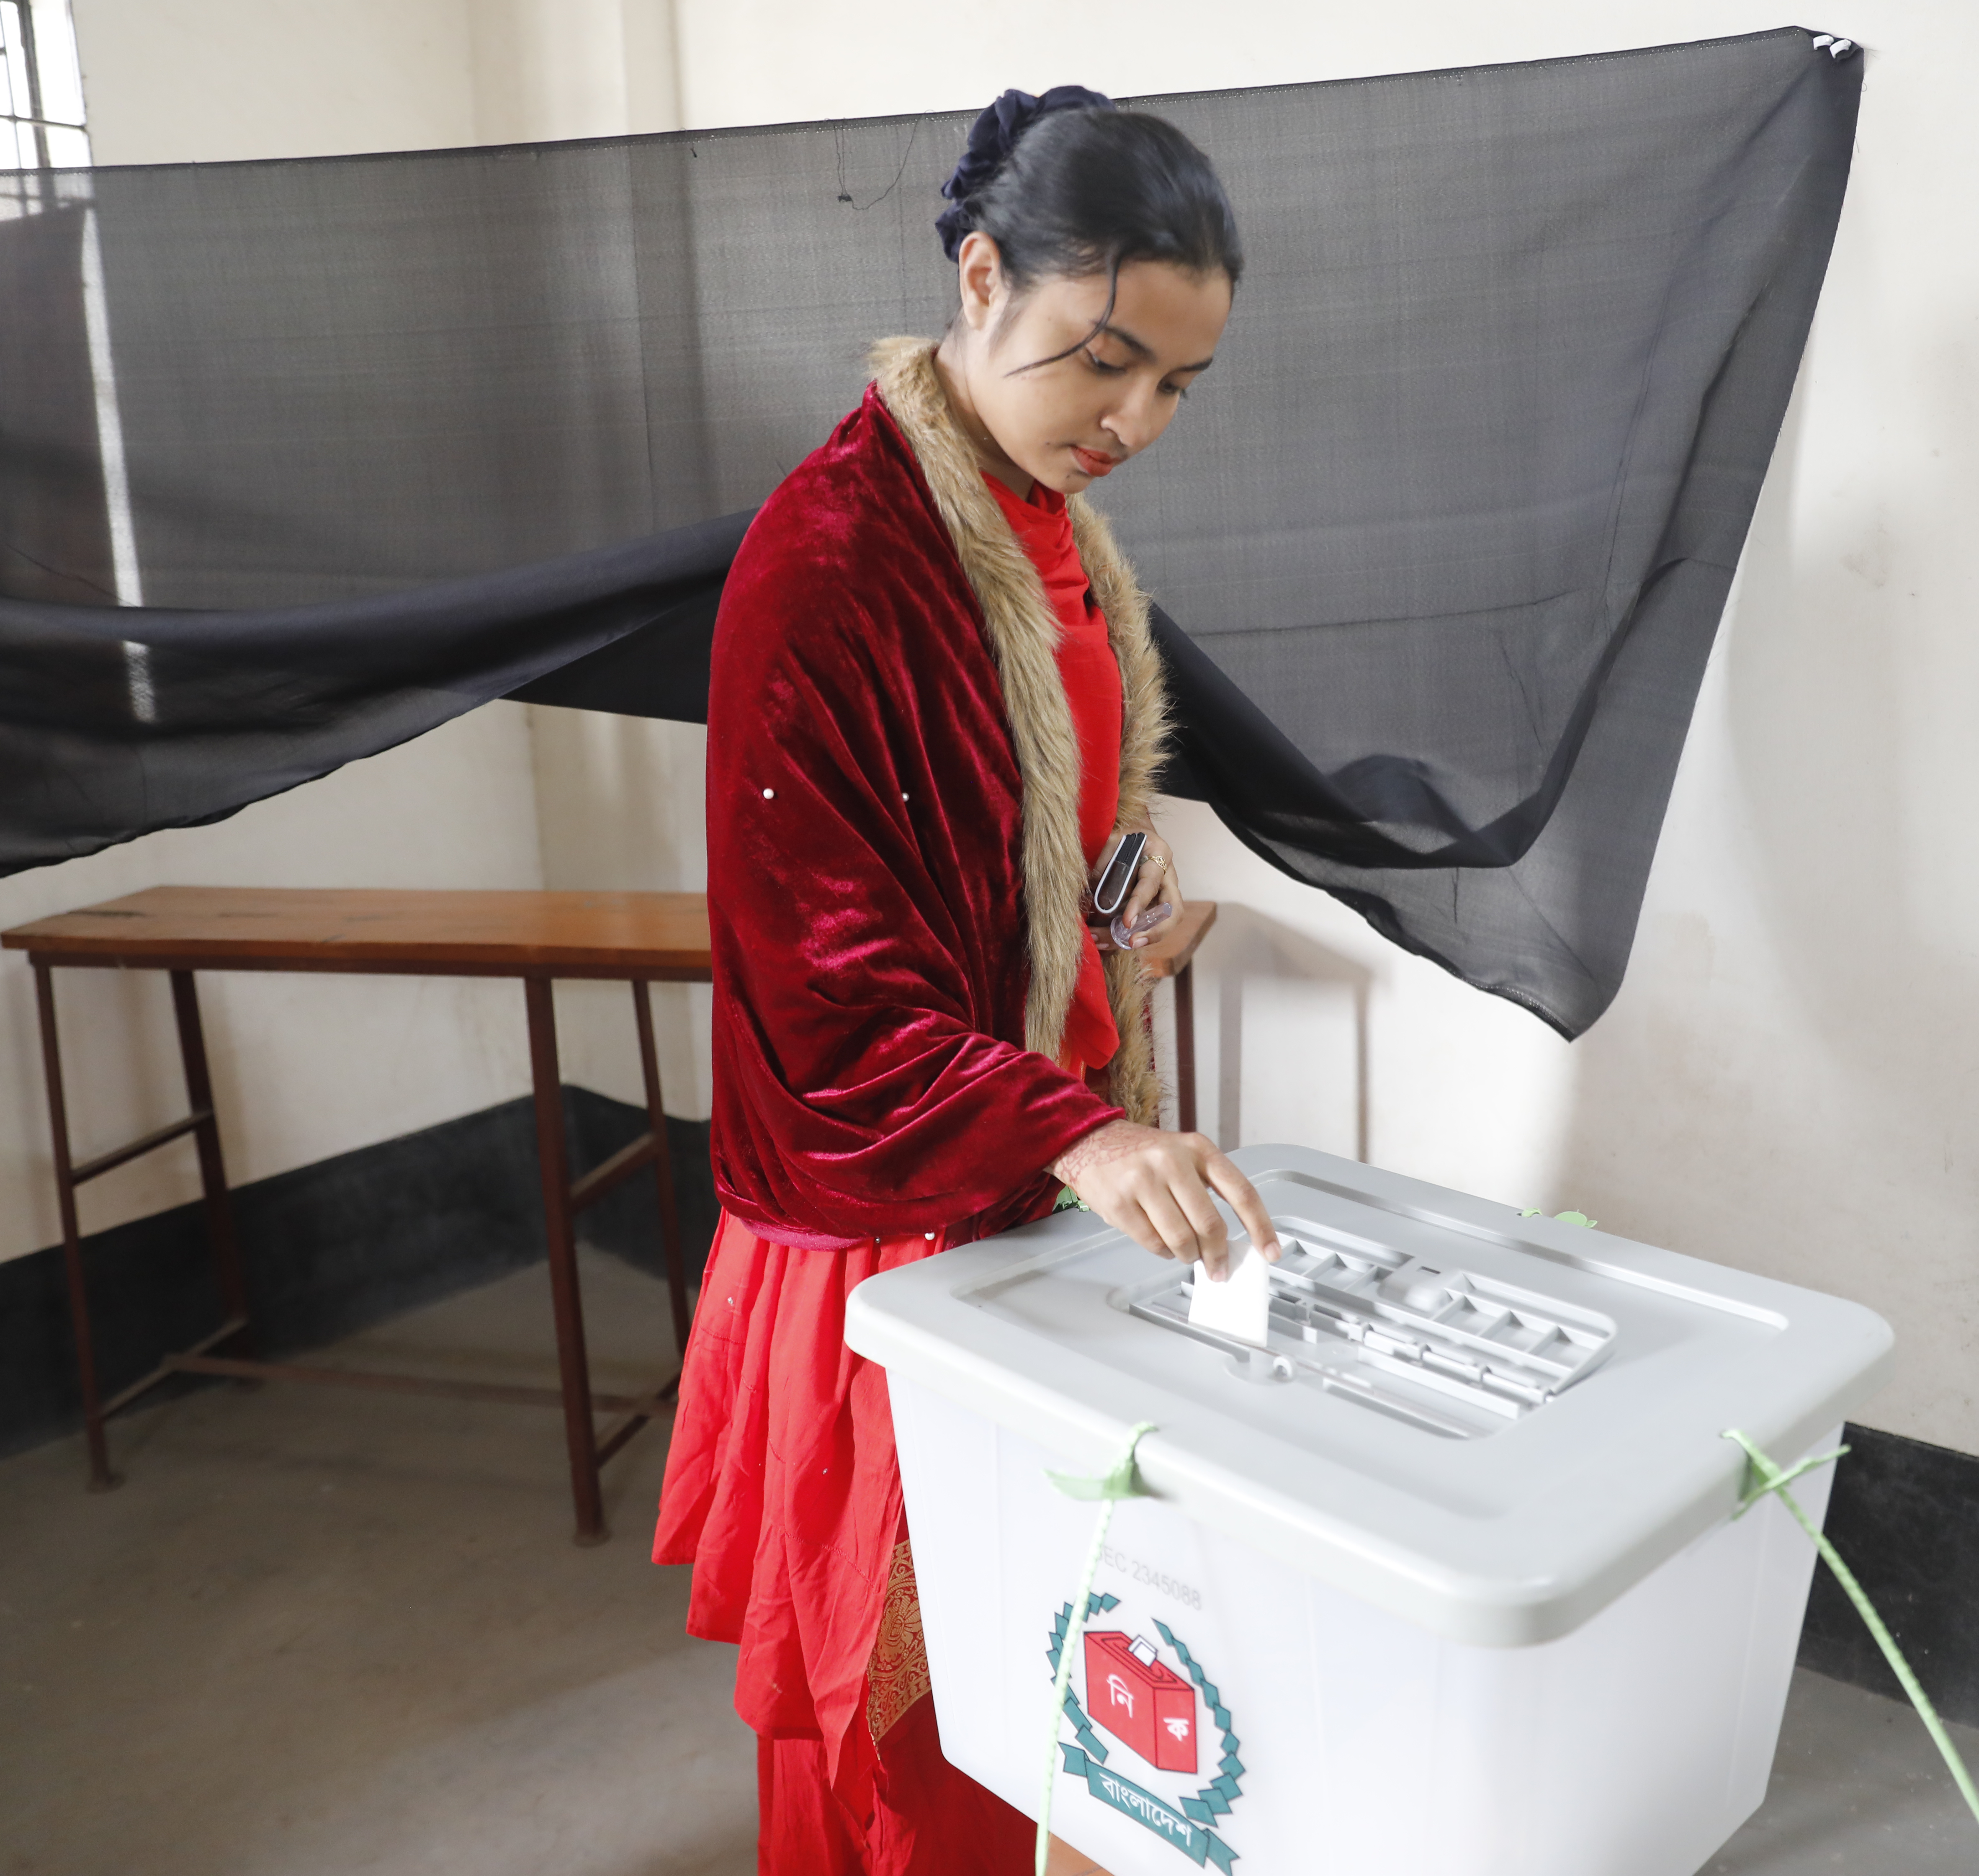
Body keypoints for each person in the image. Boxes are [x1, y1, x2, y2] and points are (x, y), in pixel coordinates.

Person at [651, 87, 1280, 1876]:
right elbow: (822, 992)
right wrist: (1075, 1130)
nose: (1137, 420)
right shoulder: (835, 553)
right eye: (1104, 361)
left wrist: (1116, 897)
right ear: (982, 274)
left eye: (1175, 383)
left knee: (1072, 1706)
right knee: (922, 1759)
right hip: (895, 1236)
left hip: (1031, 1193)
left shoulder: (1049, 530)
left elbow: (1008, 826)